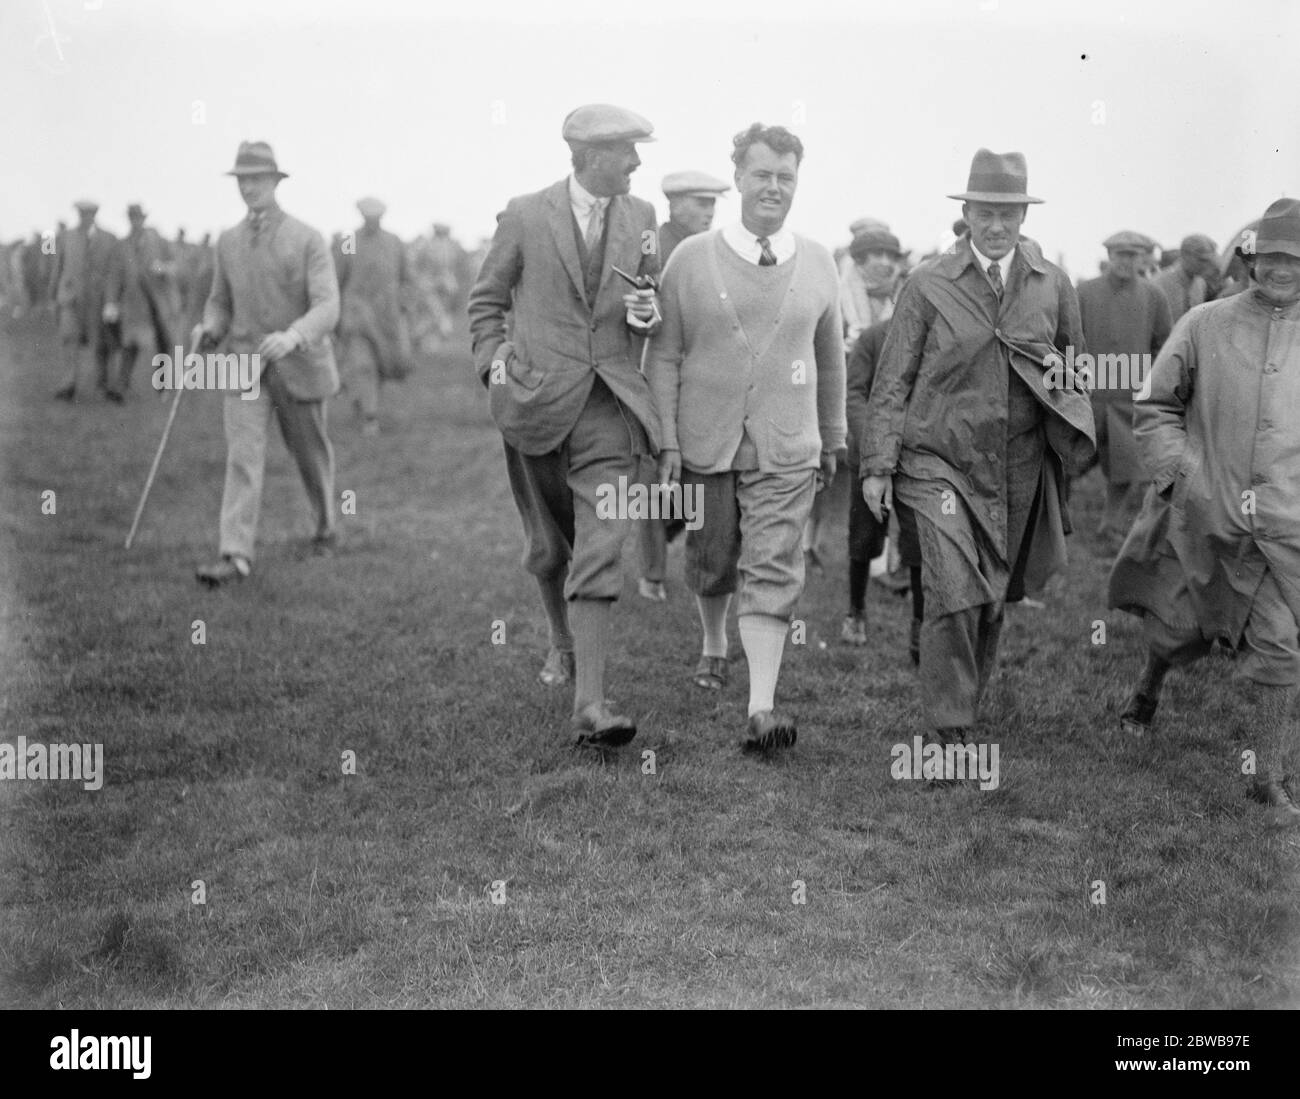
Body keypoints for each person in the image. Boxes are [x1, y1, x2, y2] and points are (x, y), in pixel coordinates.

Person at [860, 149, 1094, 760]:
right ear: (966, 214)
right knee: (952, 585)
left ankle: (965, 702)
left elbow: (1073, 365)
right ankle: (948, 729)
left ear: (1023, 215)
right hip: (938, 461)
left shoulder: (1050, 283)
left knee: (992, 594)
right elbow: (892, 381)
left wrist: (1068, 436)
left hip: (1016, 463)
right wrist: (878, 465)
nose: (996, 225)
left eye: (1008, 213)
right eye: (985, 212)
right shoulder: (929, 284)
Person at [467, 103, 662, 748]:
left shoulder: (642, 217)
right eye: (627, 151)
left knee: (604, 544)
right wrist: (495, 367)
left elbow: (647, 293)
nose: (637, 162)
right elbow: (487, 301)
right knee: (550, 549)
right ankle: (562, 643)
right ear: (587, 156)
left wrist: (644, 313)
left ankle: (592, 705)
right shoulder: (524, 214)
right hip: (534, 404)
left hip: (611, 406)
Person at [647, 122, 845, 753]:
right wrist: (669, 441)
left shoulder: (817, 262)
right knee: (712, 557)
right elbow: (666, 353)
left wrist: (833, 434)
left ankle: (761, 706)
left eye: (785, 178)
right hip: (707, 441)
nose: (773, 188)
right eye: (761, 175)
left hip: (788, 444)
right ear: (737, 179)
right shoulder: (691, 258)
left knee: (773, 562)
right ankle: (713, 644)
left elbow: (829, 357)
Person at [1109, 198, 1300, 827]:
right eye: (1272, 255)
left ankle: (1266, 778)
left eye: (1295, 258)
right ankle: (1148, 687)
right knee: (1178, 622)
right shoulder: (1205, 323)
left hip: (1283, 524)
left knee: (1278, 645)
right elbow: (1157, 404)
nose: (1283, 268)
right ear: (1250, 259)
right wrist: (1183, 473)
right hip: (1205, 514)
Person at [192, 141, 341, 587]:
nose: (249, 187)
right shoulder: (228, 241)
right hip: (242, 366)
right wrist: (209, 328)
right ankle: (235, 555)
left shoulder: (307, 238)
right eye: (242, 180)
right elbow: (220, 301)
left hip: (300, 364)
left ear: (275, 182)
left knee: (310, 457)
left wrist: (294, 335)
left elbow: (328, 305)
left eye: (257, 179)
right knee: (242, 457)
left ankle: (326, 527)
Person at [636, 169, 731, 602]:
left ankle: (673, 537)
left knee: (689, 475)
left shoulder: (713, 249)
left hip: (697, 378)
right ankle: (652, 574)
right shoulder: (653, 242)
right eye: (700, 203)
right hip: (647, 373)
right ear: (673, 205)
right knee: (651, 476)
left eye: (713, 204)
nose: (710, 212)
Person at [1076, 230, 1172, 553]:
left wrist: (1151, 383)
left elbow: (1164, 345)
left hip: (1129, 398)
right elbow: (1066, 340)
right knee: (1068, 462)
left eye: (1132, 256)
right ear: (1109, 256)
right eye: (1120, 255)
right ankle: (1055, 525)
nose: (1125, 263)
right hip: (1089, 395)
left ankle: (1110, 523)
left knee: (1126, 469)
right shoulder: (1084, 292)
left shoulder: (1153, 296)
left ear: (1141, 259)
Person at [334, 197, 413, 436]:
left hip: (386, 316)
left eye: (376, 218)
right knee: (362, 363)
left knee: (382, 365)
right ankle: (370, 418)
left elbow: (405, 277)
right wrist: (336, 312)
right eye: (368, 218)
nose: (372, 222)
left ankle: (363, 401)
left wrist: (405, 303)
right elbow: (338, 276)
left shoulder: (393, 242)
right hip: (356, 314)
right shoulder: (349, 240)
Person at [103, 203, 180, 401]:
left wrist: (163, 268)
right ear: (129, 220)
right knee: (130, 344)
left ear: (143, 219)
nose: (135, 221)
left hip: (158, 303)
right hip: (134, 304)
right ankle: (120, 387)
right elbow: (114, 275)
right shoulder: (122, 246)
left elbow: (177, 265)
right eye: (132, 218)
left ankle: (163, 388)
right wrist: (111, 303)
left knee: (163, 344)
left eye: (138, 218)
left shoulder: (158, 241)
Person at [51, 200, 119, 401]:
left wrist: (111, 301)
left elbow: (113, 272)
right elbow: (57, 267)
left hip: (97, 302)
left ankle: (106, 385)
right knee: (69, 340)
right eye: (81, 214)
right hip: (71, 299)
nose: (84, 218)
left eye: (88, 214)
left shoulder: (109, 238)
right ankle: (68, 384)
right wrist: (54, 295)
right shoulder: (65, 237)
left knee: (101, 345)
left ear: (95, 215)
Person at [1153, 233, 1219, 321]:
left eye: (1209, 261)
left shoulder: (1200, 284)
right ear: (1185, 255)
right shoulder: (1159, 283)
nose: (1206, 265)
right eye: (1202, 260)